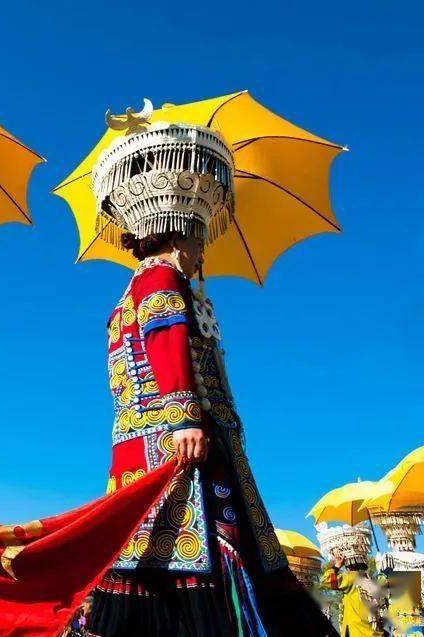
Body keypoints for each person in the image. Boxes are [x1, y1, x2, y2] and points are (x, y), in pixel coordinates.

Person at [84, 111, 337, 636]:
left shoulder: (129, 295)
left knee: (157, 561)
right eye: (199, 237)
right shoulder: (159, 280)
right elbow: (166, 339)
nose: (203, 249)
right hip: (183, 447)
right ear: (180, 233)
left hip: (143, 446)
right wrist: (185, 418)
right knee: (206, 555)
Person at [319, 528, 389, 637]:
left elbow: (326, 580)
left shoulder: (351, 577)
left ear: (347, 564)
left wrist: (337, 565)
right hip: (376, 633)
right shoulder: (372, 581)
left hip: (357, 632)